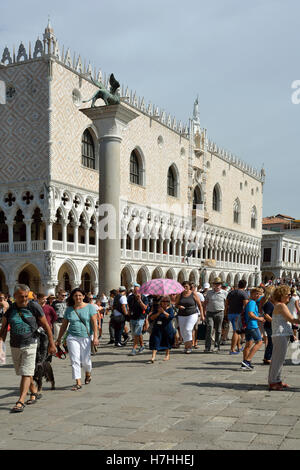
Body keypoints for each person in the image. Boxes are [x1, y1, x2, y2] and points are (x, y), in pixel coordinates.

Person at [0, 284, 56, 412]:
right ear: (14, 296)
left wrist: (52, 344)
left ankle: (20, 401)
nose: (24, 299)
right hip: (15, 345)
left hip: (31, 343)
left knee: (26, 372)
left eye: (26, 296)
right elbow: (3, 329)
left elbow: (46, 326)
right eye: (21, 297)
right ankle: (34, 391)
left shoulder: (33, 306)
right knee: (24, 371)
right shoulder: (10, 309)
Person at [55, 288, 99, 391]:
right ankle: (78, 382)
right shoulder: (69, 309)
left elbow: (94, 323)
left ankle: (88, 373)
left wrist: (95, 337)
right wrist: (59, 338)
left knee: (86, 360)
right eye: (75, 296)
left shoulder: (90, 307)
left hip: (86, 336)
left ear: (84, 296)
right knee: (74, 359)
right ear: (72, 297)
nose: (78, 297)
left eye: (80, 295)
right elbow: (64, 325)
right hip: (72, 337)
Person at [268, 286, 300, 390]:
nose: (290, 297)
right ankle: (273, 381)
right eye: (288, 295)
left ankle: (277, 380)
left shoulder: (280, 305)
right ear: (281, 295)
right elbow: (291, 319)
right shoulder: (281, 305)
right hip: (280, 335)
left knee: (279, 359)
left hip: (281, 335)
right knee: (278, 359)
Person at [176, 281, 204, 354]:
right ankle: (186, 346)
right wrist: (179, 306)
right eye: (183, 286)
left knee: (188, 329)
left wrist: (202, 315)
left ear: (189, 287)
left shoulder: (193, 294)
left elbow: (200, 305)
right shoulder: (180, 294)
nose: (185, 288)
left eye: (186, 286)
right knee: (182, 331)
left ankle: (189, 346)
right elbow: (176, 304)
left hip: (192, 314)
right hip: (181, 314)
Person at [241, 288, 265, 370]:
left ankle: (244, 363)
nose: (258, 295)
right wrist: (259, 319)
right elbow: (250, 313)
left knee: (248, 345)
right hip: (252, 325)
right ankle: (247, 360)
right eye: (256, 293)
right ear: (252, 294)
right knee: (259, 342)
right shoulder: (252, 302)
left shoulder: (251, 302)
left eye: (259, 294)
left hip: (248, 326)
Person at [148, 296, 175, 363]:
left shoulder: (170, 309)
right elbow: (151, 318)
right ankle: (153, 357)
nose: (165, 303)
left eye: (166, 301)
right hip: (157, 327)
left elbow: (171, 317)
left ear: (169, 302)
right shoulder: (157, 308)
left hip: (167, 328)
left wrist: (163, 312)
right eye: (163, 301)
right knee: (155, 341)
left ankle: (167, 355)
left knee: (167, 341)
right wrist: (159, 313)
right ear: (161, 302)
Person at [203, 277, 227, 353]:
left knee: (218, 330)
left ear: (221, 285)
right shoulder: (209, 293)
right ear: (213, 285)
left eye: (218, 284)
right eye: (216, 284)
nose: (217, 285)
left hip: (220, 313)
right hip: (210, 312)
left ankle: (217, 346)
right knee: (209, 328)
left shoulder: (225, 293)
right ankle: (207, 347)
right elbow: (205, 303)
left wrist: (226, 314)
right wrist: (203, 312)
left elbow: (227, 304)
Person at [225, 280, 249, 355]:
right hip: (238, 314)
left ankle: (239, 346)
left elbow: (226, 303)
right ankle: (232, 349)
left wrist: (225, 313)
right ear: (245, 286)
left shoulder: (231, 292)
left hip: (230, 313)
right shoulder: (244, 294)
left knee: (237, 331)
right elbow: (246, 306)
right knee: (236, 332)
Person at [127, 283, 149, 356]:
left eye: (138, 291)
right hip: (133, 317)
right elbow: (129, 307)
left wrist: (139, 300)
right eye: (135, 291)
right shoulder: (130, 298)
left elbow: (145, 308)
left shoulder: (144, 298)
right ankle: (142, 346)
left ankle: (134, 349)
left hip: (141, 317)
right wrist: (128, 314)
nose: (136, 292)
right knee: (137, 333)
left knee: (136, 333)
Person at [260, 286, 275, 365]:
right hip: (270, 325)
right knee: (271, 342)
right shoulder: (269, 303)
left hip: (268, 325)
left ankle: (267, 357)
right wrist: (274, 322)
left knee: (270, 342)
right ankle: (268, 358)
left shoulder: (267, 302)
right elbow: (266, 315)